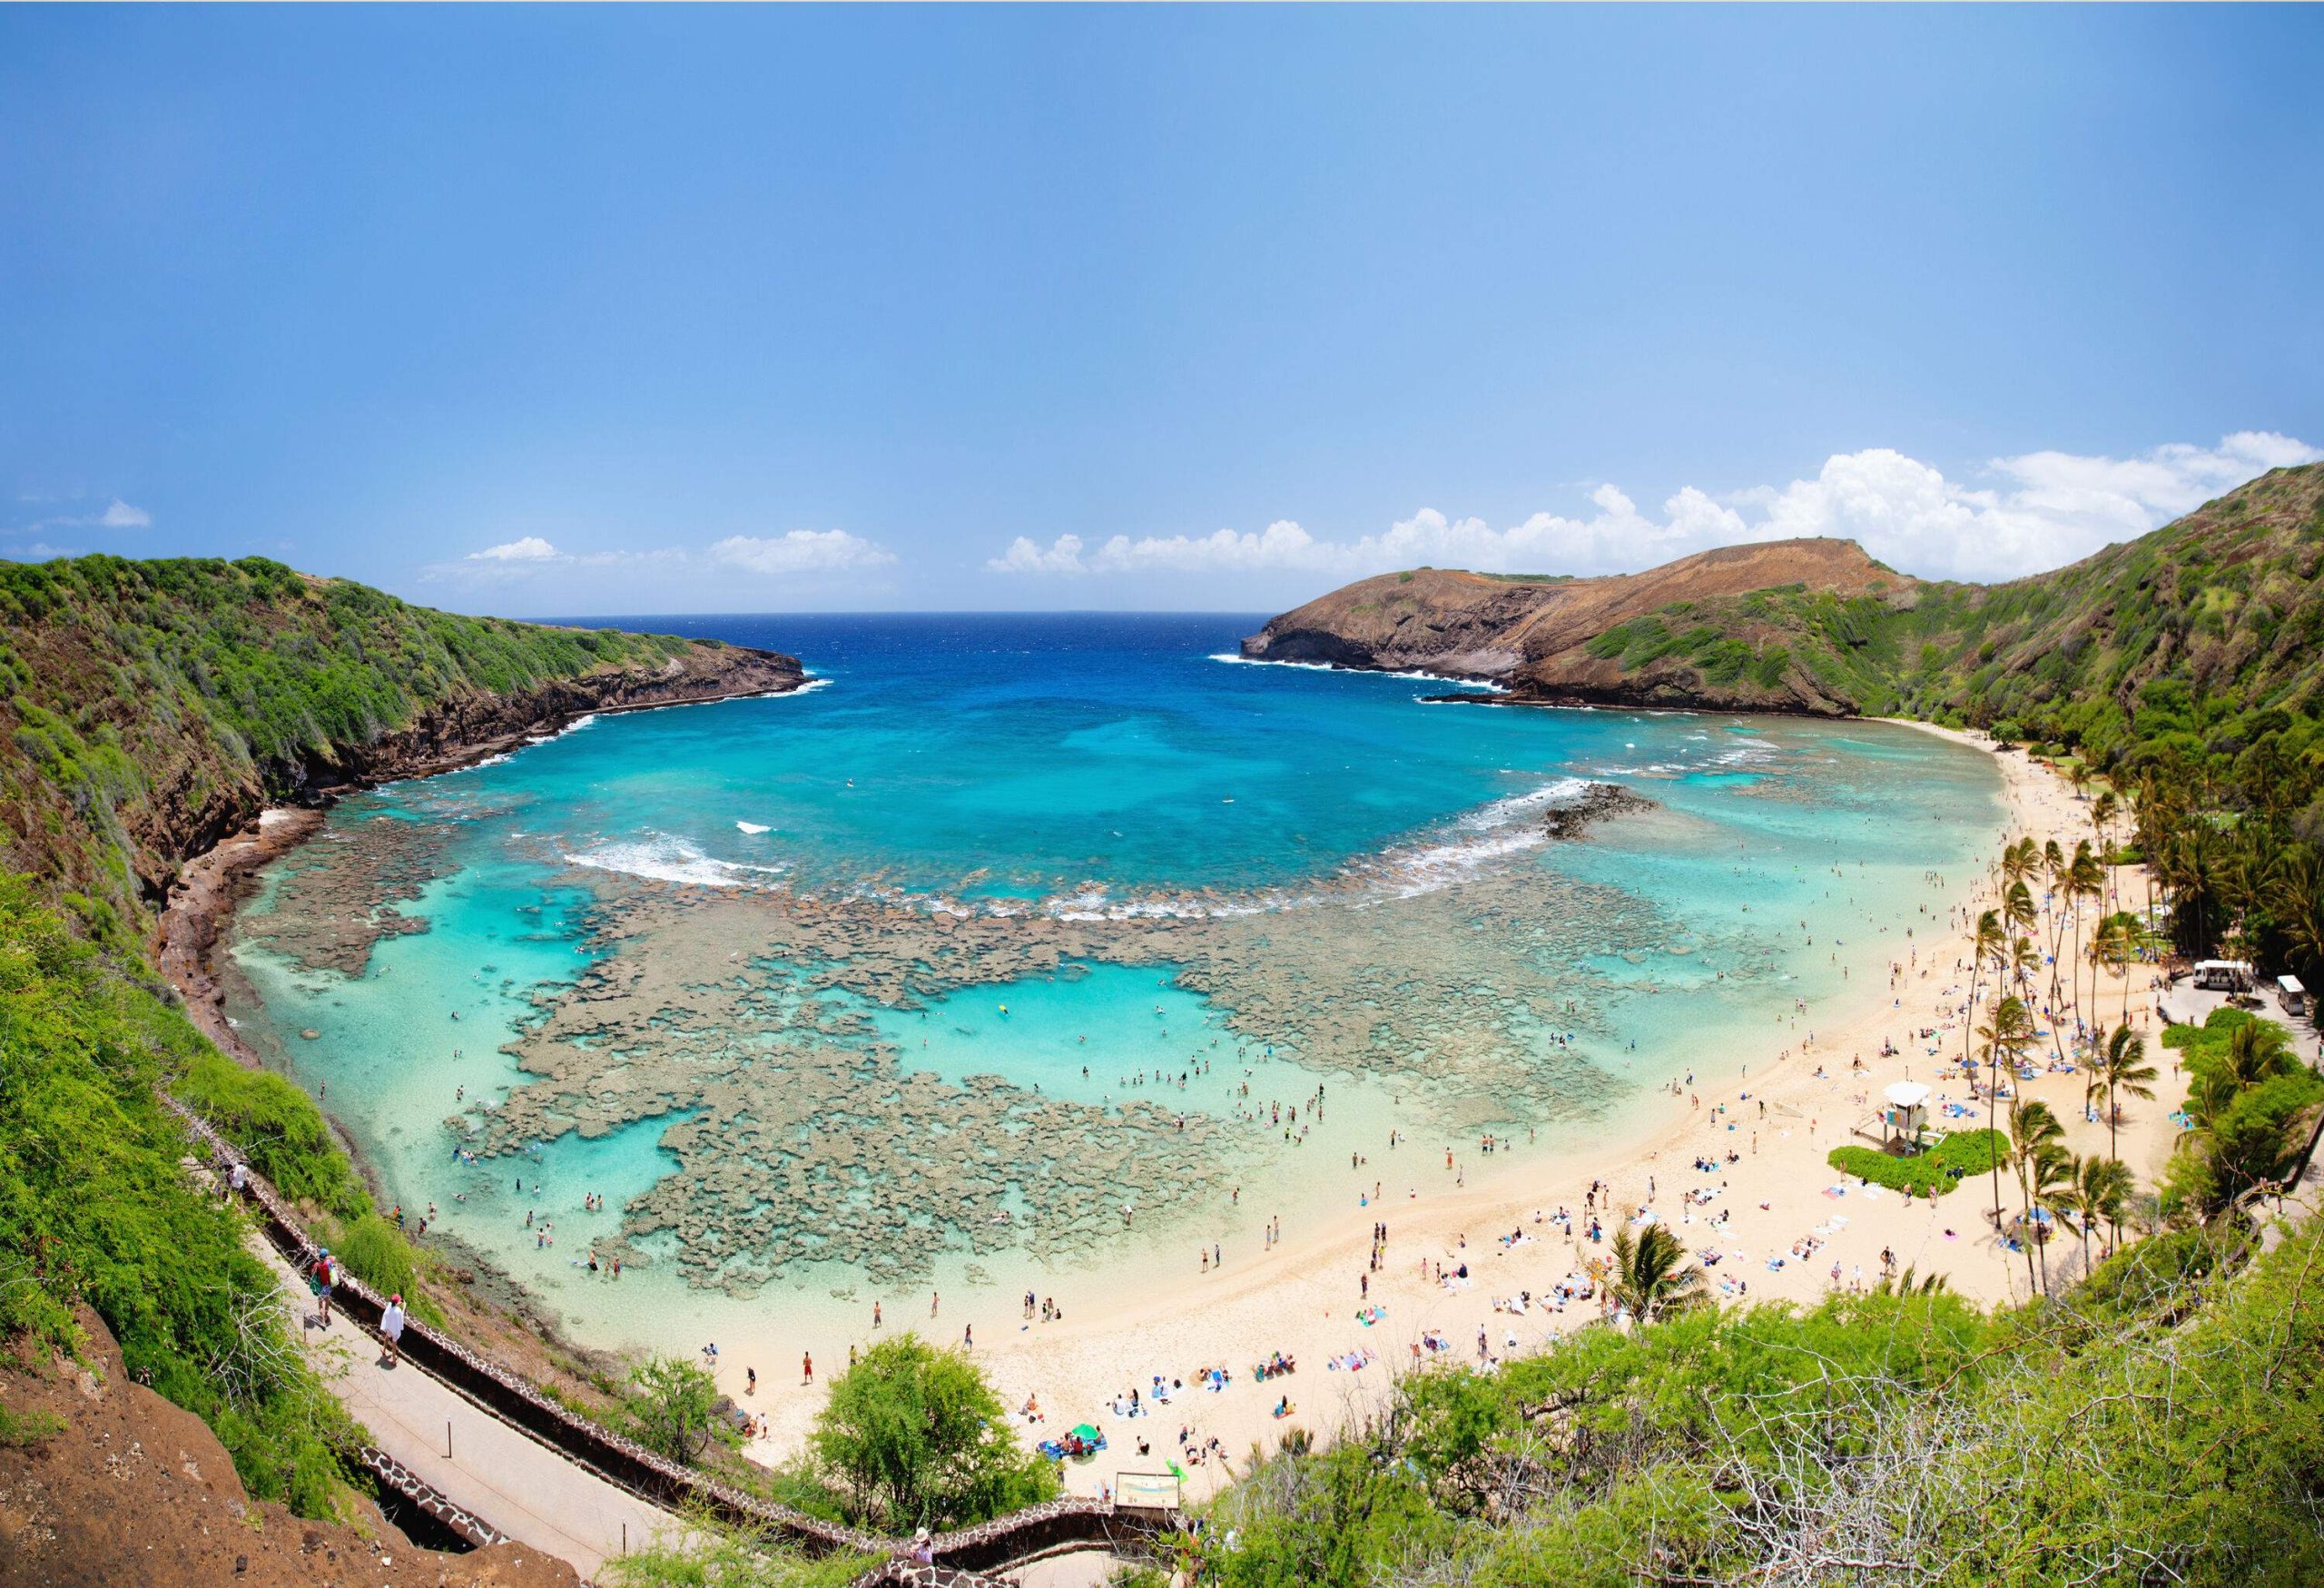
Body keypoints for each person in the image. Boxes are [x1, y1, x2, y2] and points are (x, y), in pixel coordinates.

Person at [379, 1293, 407, 1366]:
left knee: (387, 1338)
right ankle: (394, 1360)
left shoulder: (389, 1305)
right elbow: (401, 1317)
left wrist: (399, 1304)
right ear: (397, 1302)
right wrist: (404, 1307)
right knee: (394, 1345)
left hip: (389, 1328)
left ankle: (384, 1350)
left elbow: (389, 1311)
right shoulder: (398, 1310)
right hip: (395, 1330)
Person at [312, 1248, 336, 1327]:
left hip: (320, 1286)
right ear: (326, 1256)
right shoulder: (329, 1262)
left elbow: (312, 1273)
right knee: (327, 1301)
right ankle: (325, 1317)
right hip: (327, 1286)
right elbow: (334, 1257)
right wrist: (328, 1258)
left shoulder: (317, 1265)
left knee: (320, 1302)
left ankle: (323, 1321)